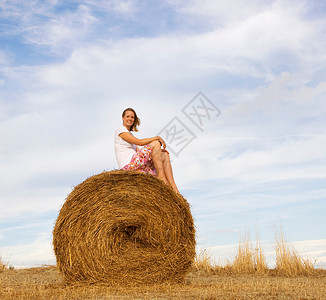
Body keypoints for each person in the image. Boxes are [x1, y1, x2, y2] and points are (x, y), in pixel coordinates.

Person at [114, 108, 179, 193]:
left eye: (132, 117)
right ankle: (161, 178)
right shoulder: (121, 130)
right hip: (128, 165)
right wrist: (156, 138)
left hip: (135, 165)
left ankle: (173, 187)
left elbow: (139, 152)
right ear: (123, 118)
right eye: (127, 116)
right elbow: (139, 142)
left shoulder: (130, 134)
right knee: (155, 143)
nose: (130, 119)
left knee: (164, 155)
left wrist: (158, 151)